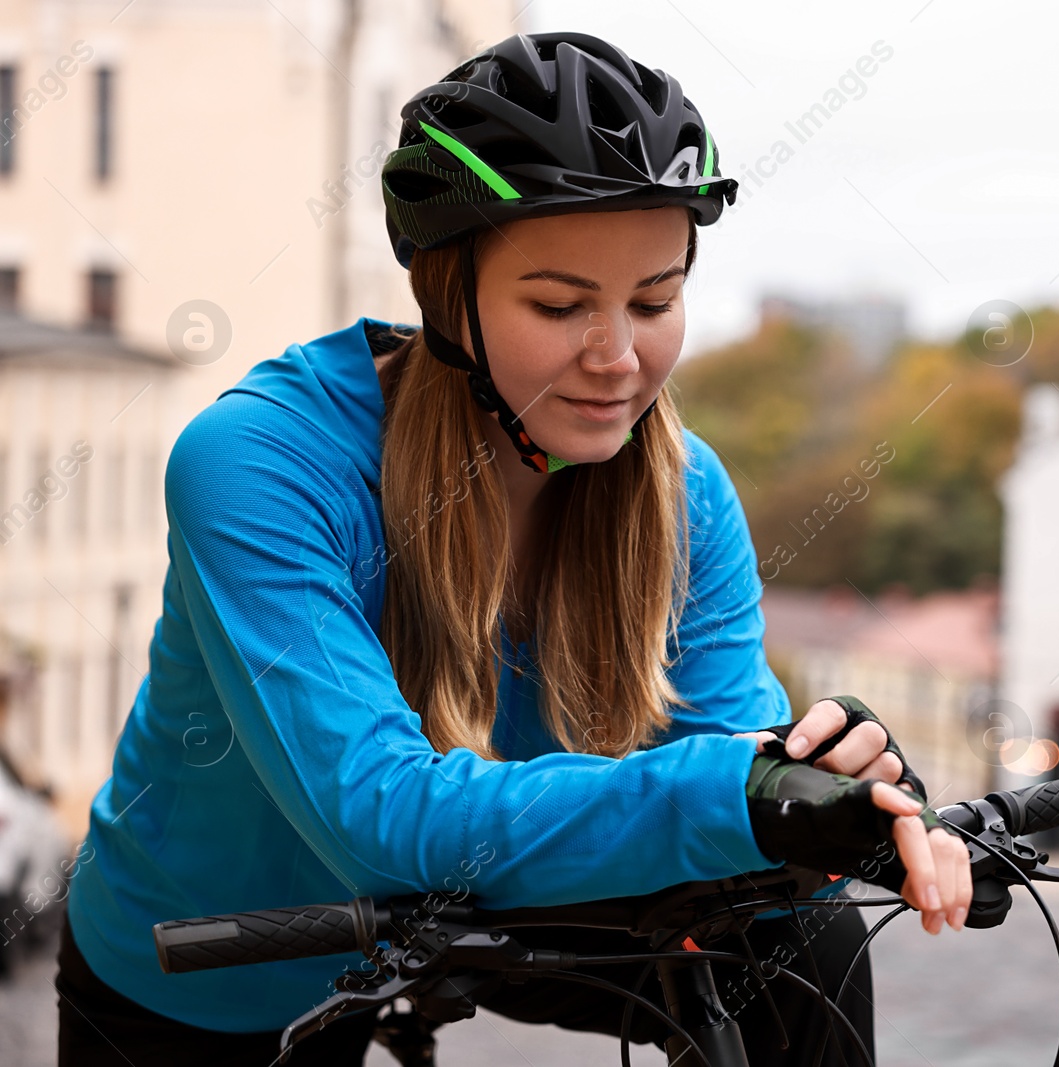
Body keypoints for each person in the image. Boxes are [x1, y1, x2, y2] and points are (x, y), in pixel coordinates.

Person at [54, 30, 972, 1066]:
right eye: (558, 303)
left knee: (795, 936)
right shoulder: (256, 462)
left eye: (655, 300)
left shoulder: (684, 493)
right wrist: (741, 789)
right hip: (218, 960)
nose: (619, 357)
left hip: (488, 888)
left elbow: (733, 749)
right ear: (448, 291)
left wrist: (834, 785)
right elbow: (376, 812)